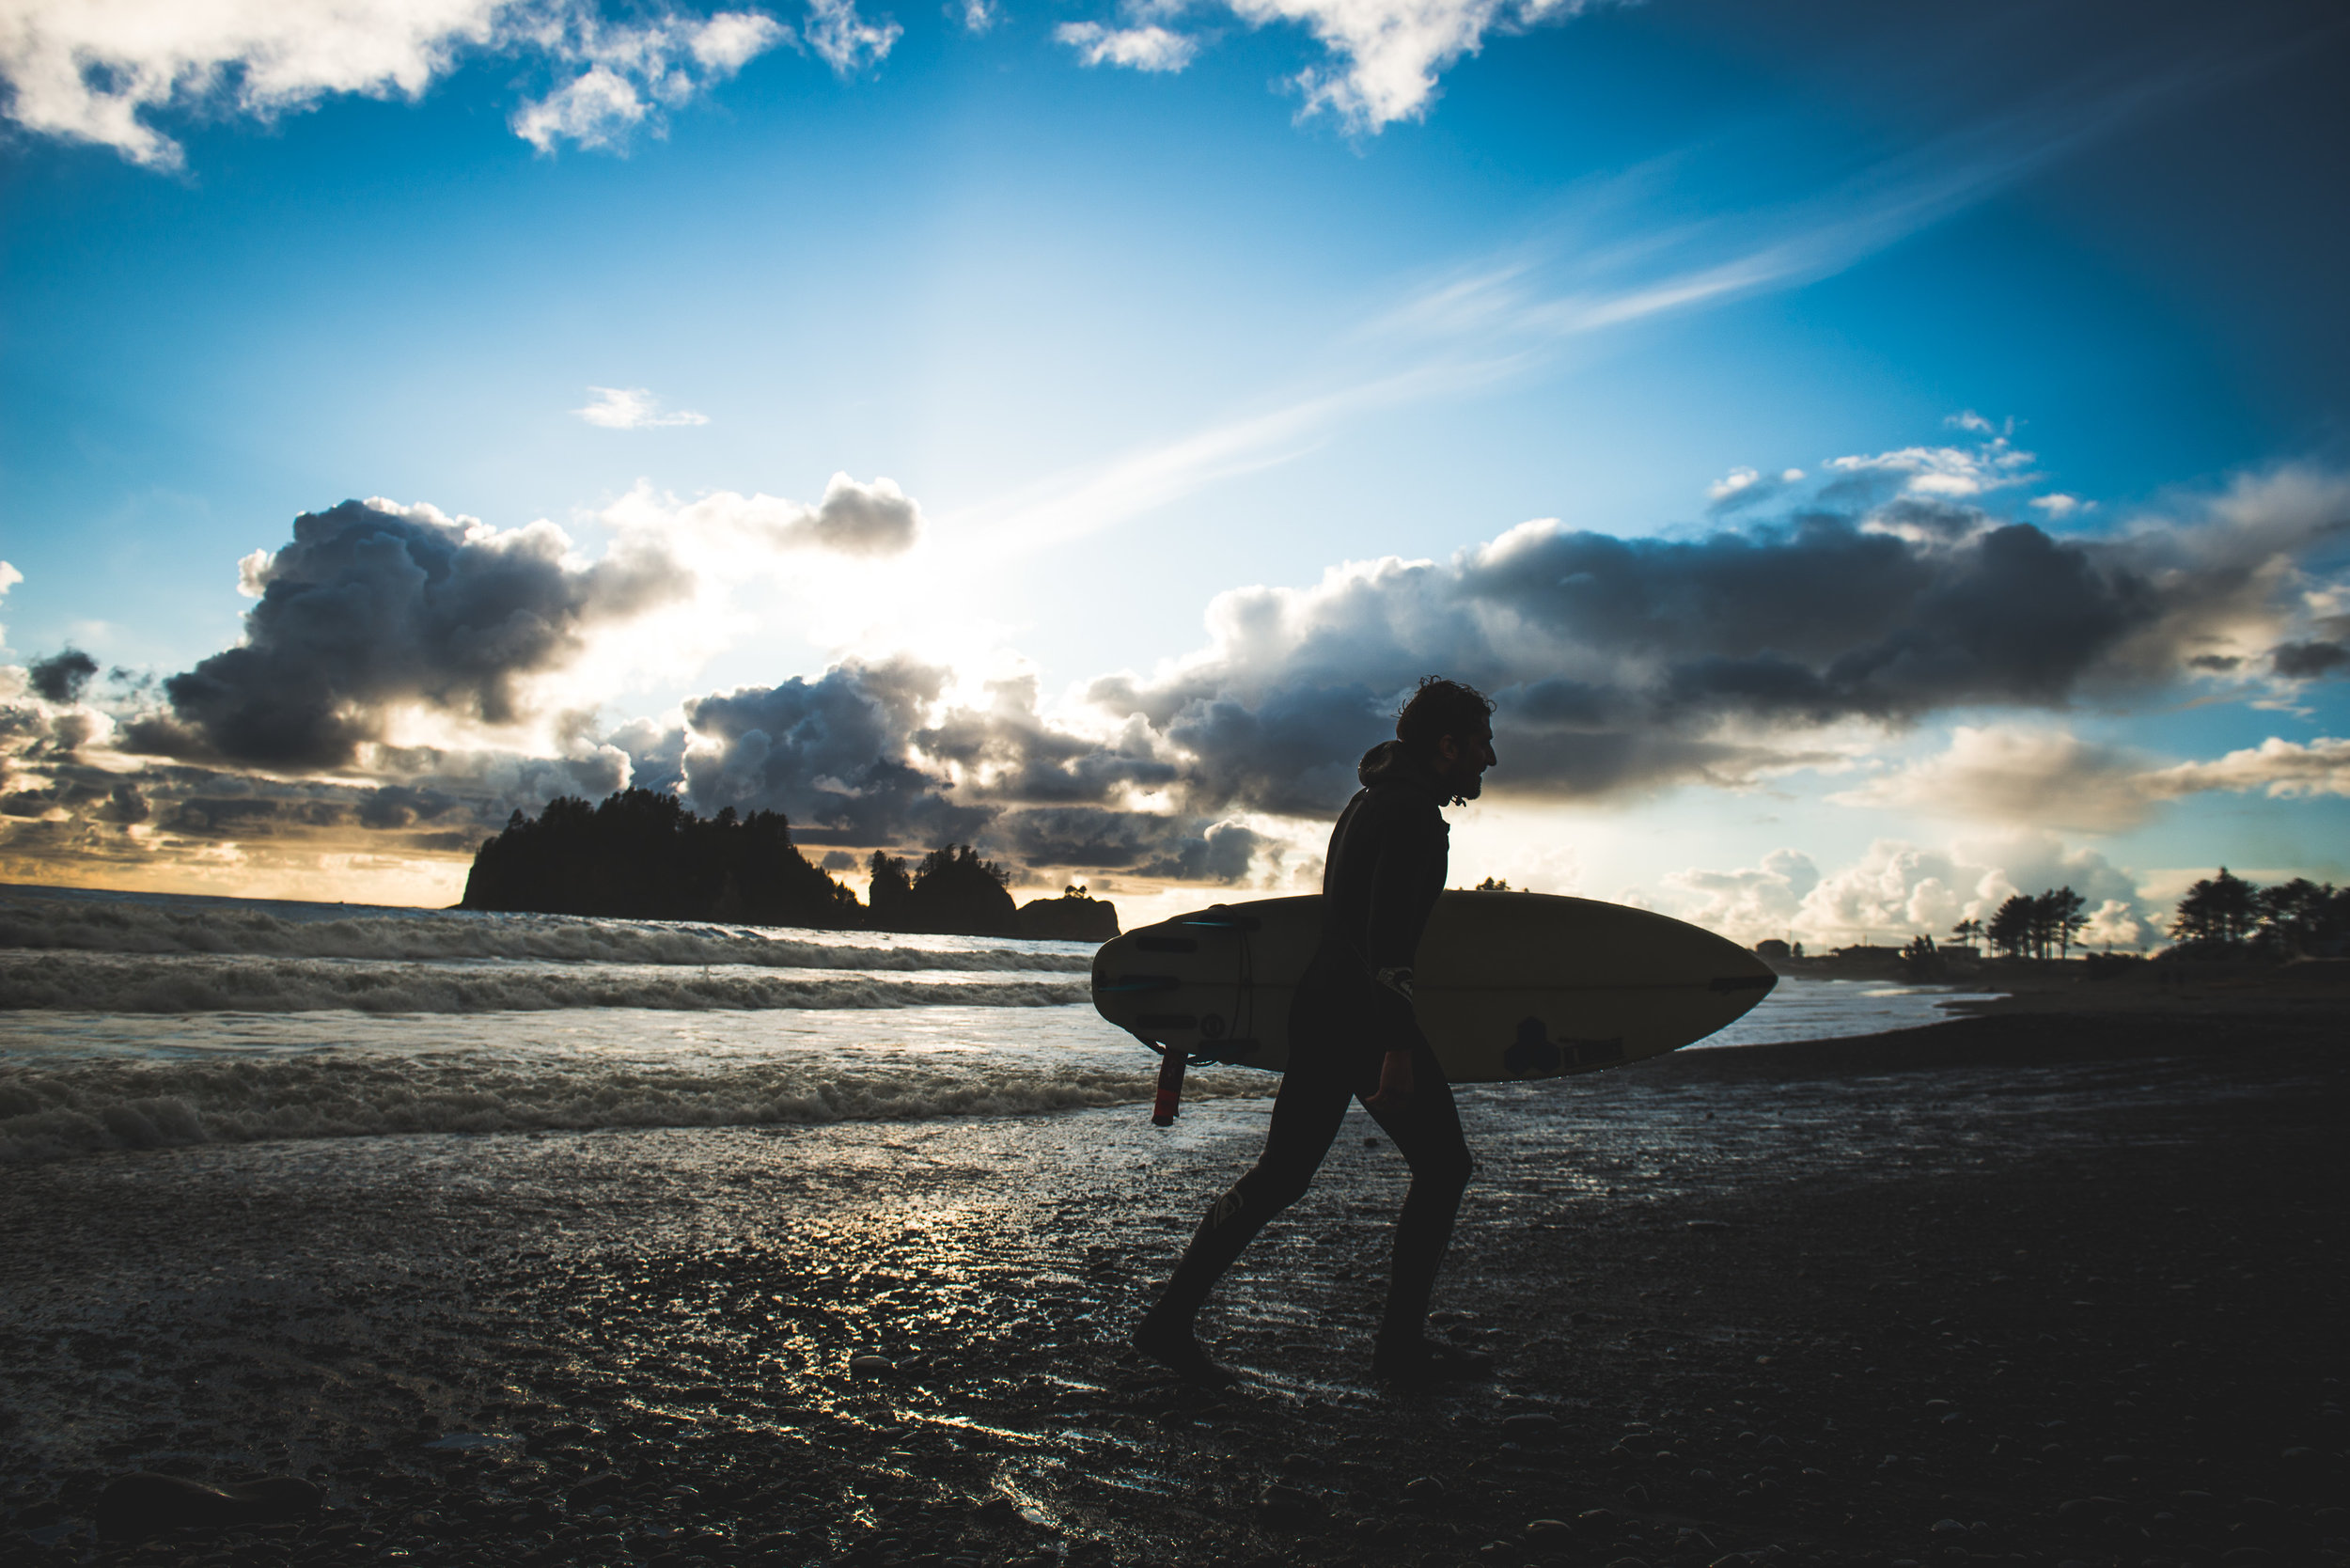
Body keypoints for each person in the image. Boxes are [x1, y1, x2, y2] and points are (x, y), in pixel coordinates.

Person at [1132, 677, 1499, 1386]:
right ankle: (1398, 1351)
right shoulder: (1412, 816)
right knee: (1445, 1167)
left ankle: (1168, 1322)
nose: (1491, 758)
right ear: (1447, 745)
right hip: (1365, 1019)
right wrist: (1396, 1049)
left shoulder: (1368, 801)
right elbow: (1386, 939)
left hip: (1323, 1009)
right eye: (1481, 742)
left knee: (1281, 1176)